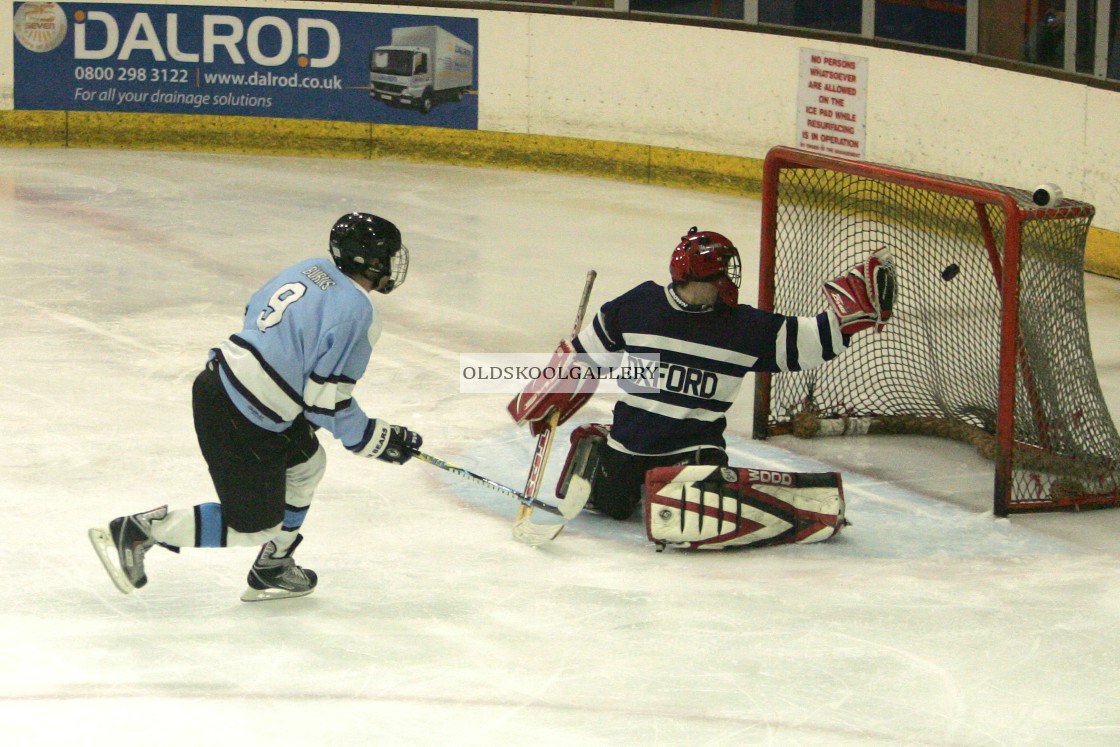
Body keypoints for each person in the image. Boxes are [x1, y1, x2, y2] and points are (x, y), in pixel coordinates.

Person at [89, 212, 423, 601]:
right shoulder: (359, 314)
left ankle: (273, 566)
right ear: (373, 261)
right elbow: (326, 403)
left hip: (221, 380)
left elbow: (253, 312)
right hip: (246, 416)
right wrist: (375, 439)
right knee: (255, 527)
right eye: (387, 257)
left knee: (307, 465)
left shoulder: (310, 268)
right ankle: (140, 532)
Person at [509, 227, 894, 532]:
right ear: (699, 278)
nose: (729, 279)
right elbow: (585, 358)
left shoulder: (743, 326)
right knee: (613, 506)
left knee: (683, 514)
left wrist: (847, 318)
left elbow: (811, 342)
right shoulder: (638, 306)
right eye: (722, 271)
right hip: (631, 448)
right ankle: (603, 449)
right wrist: (552, 392)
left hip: (693, 457)